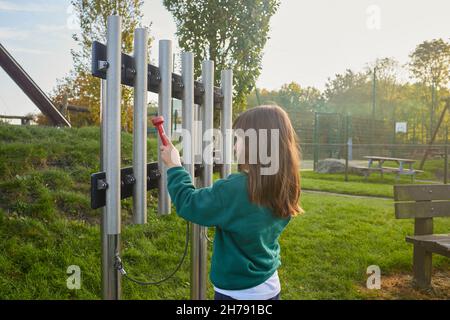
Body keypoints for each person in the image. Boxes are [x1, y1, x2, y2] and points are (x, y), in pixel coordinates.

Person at [159, 104, 303, 300]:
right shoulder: (287, 183)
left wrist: (174, 166)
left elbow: (189, 203)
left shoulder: (234, 189)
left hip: (236, 293)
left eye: (239, 139)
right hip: (269, 284)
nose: (235, 146)